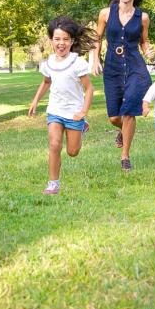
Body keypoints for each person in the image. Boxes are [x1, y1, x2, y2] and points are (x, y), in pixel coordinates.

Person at [90, 0, 153, 172]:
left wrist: (148, 51)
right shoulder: (106, 13)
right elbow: (96, 38)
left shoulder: (142, 17)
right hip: (112, 67)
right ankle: (123, 132)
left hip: (135, 67)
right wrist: (94, 59)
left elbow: (144, 41)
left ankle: (125, 156)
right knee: (114, 117)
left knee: (128, 113)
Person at [28, 16, 95, 195]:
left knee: (73, 152)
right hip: (55, 111)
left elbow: (89, 89)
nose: (61, 43)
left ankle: (82, 126)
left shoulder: (77, 63)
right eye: (57, 39)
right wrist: (35, 100)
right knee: (54, 145)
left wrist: (83, 112)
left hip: (74, 113)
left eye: (65, 39)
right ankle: (53, 183)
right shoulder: (48, 63)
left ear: (72, 41)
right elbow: (46, 82)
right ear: (51, 41)